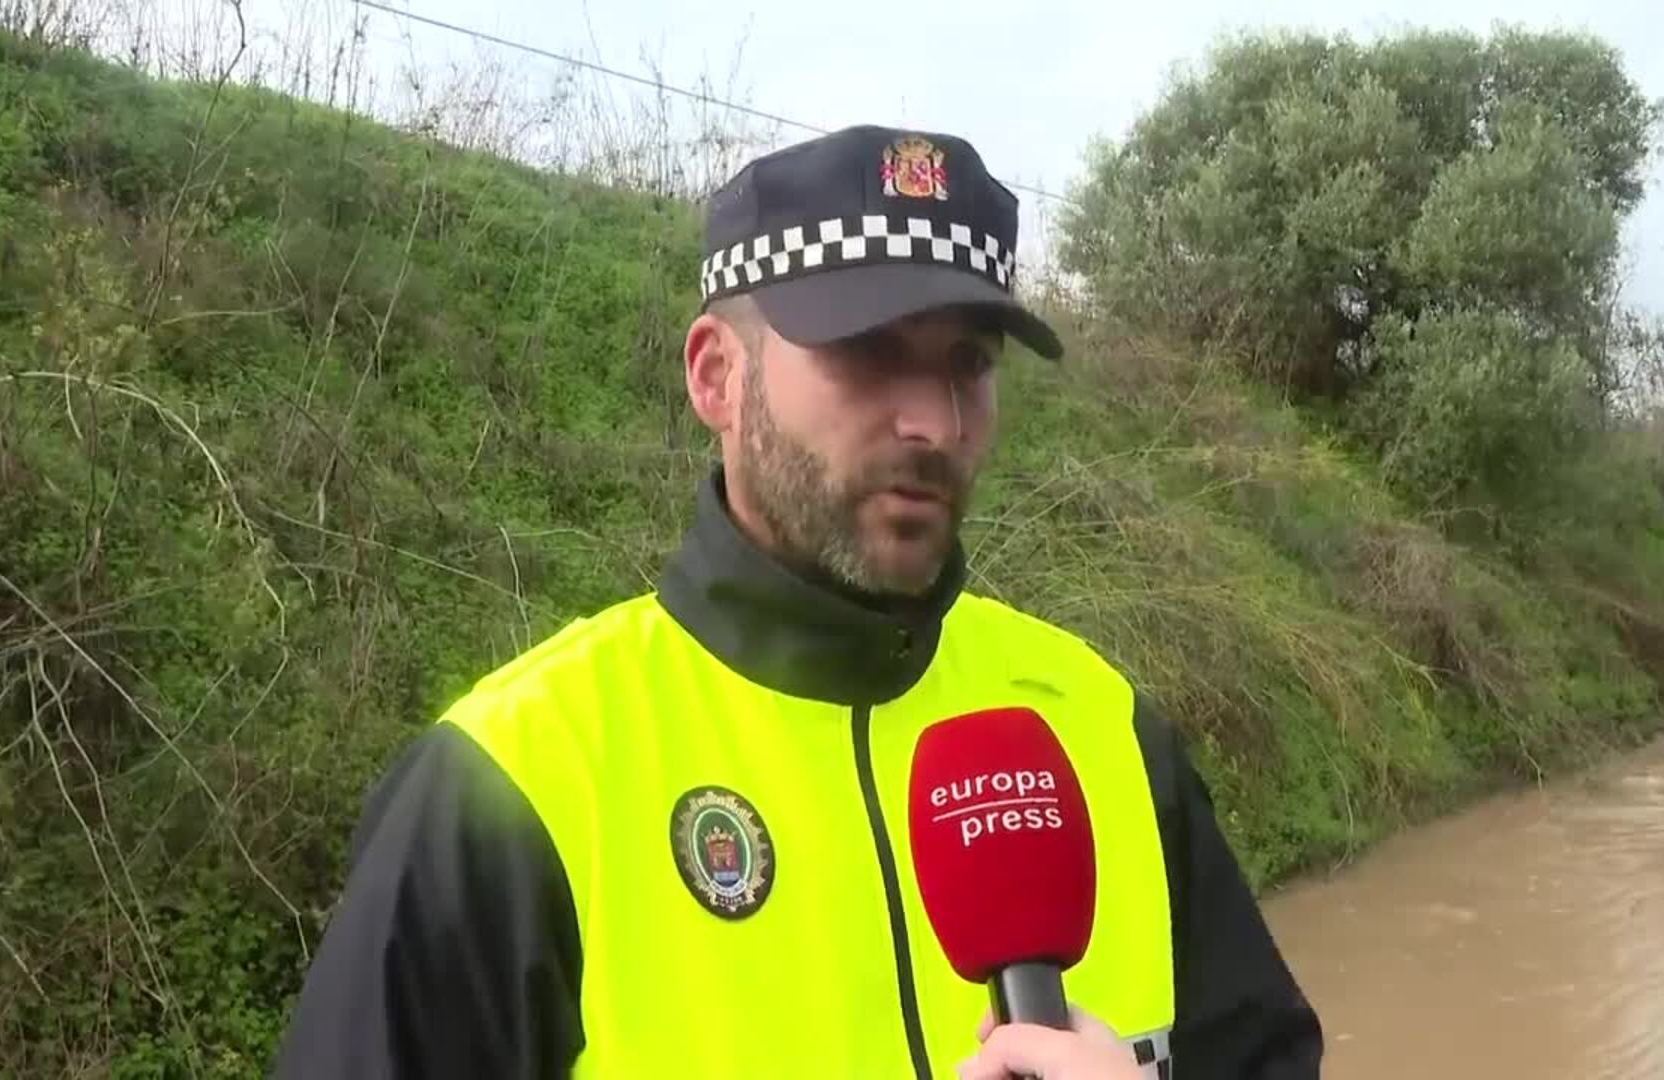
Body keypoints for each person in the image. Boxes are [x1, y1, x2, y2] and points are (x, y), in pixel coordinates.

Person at [274, 124, 1322, 1079]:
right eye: (870, 351)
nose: (935, 422)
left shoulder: (1099, 727)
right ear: (715, 377)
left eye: (967, 362)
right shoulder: (512, 782)